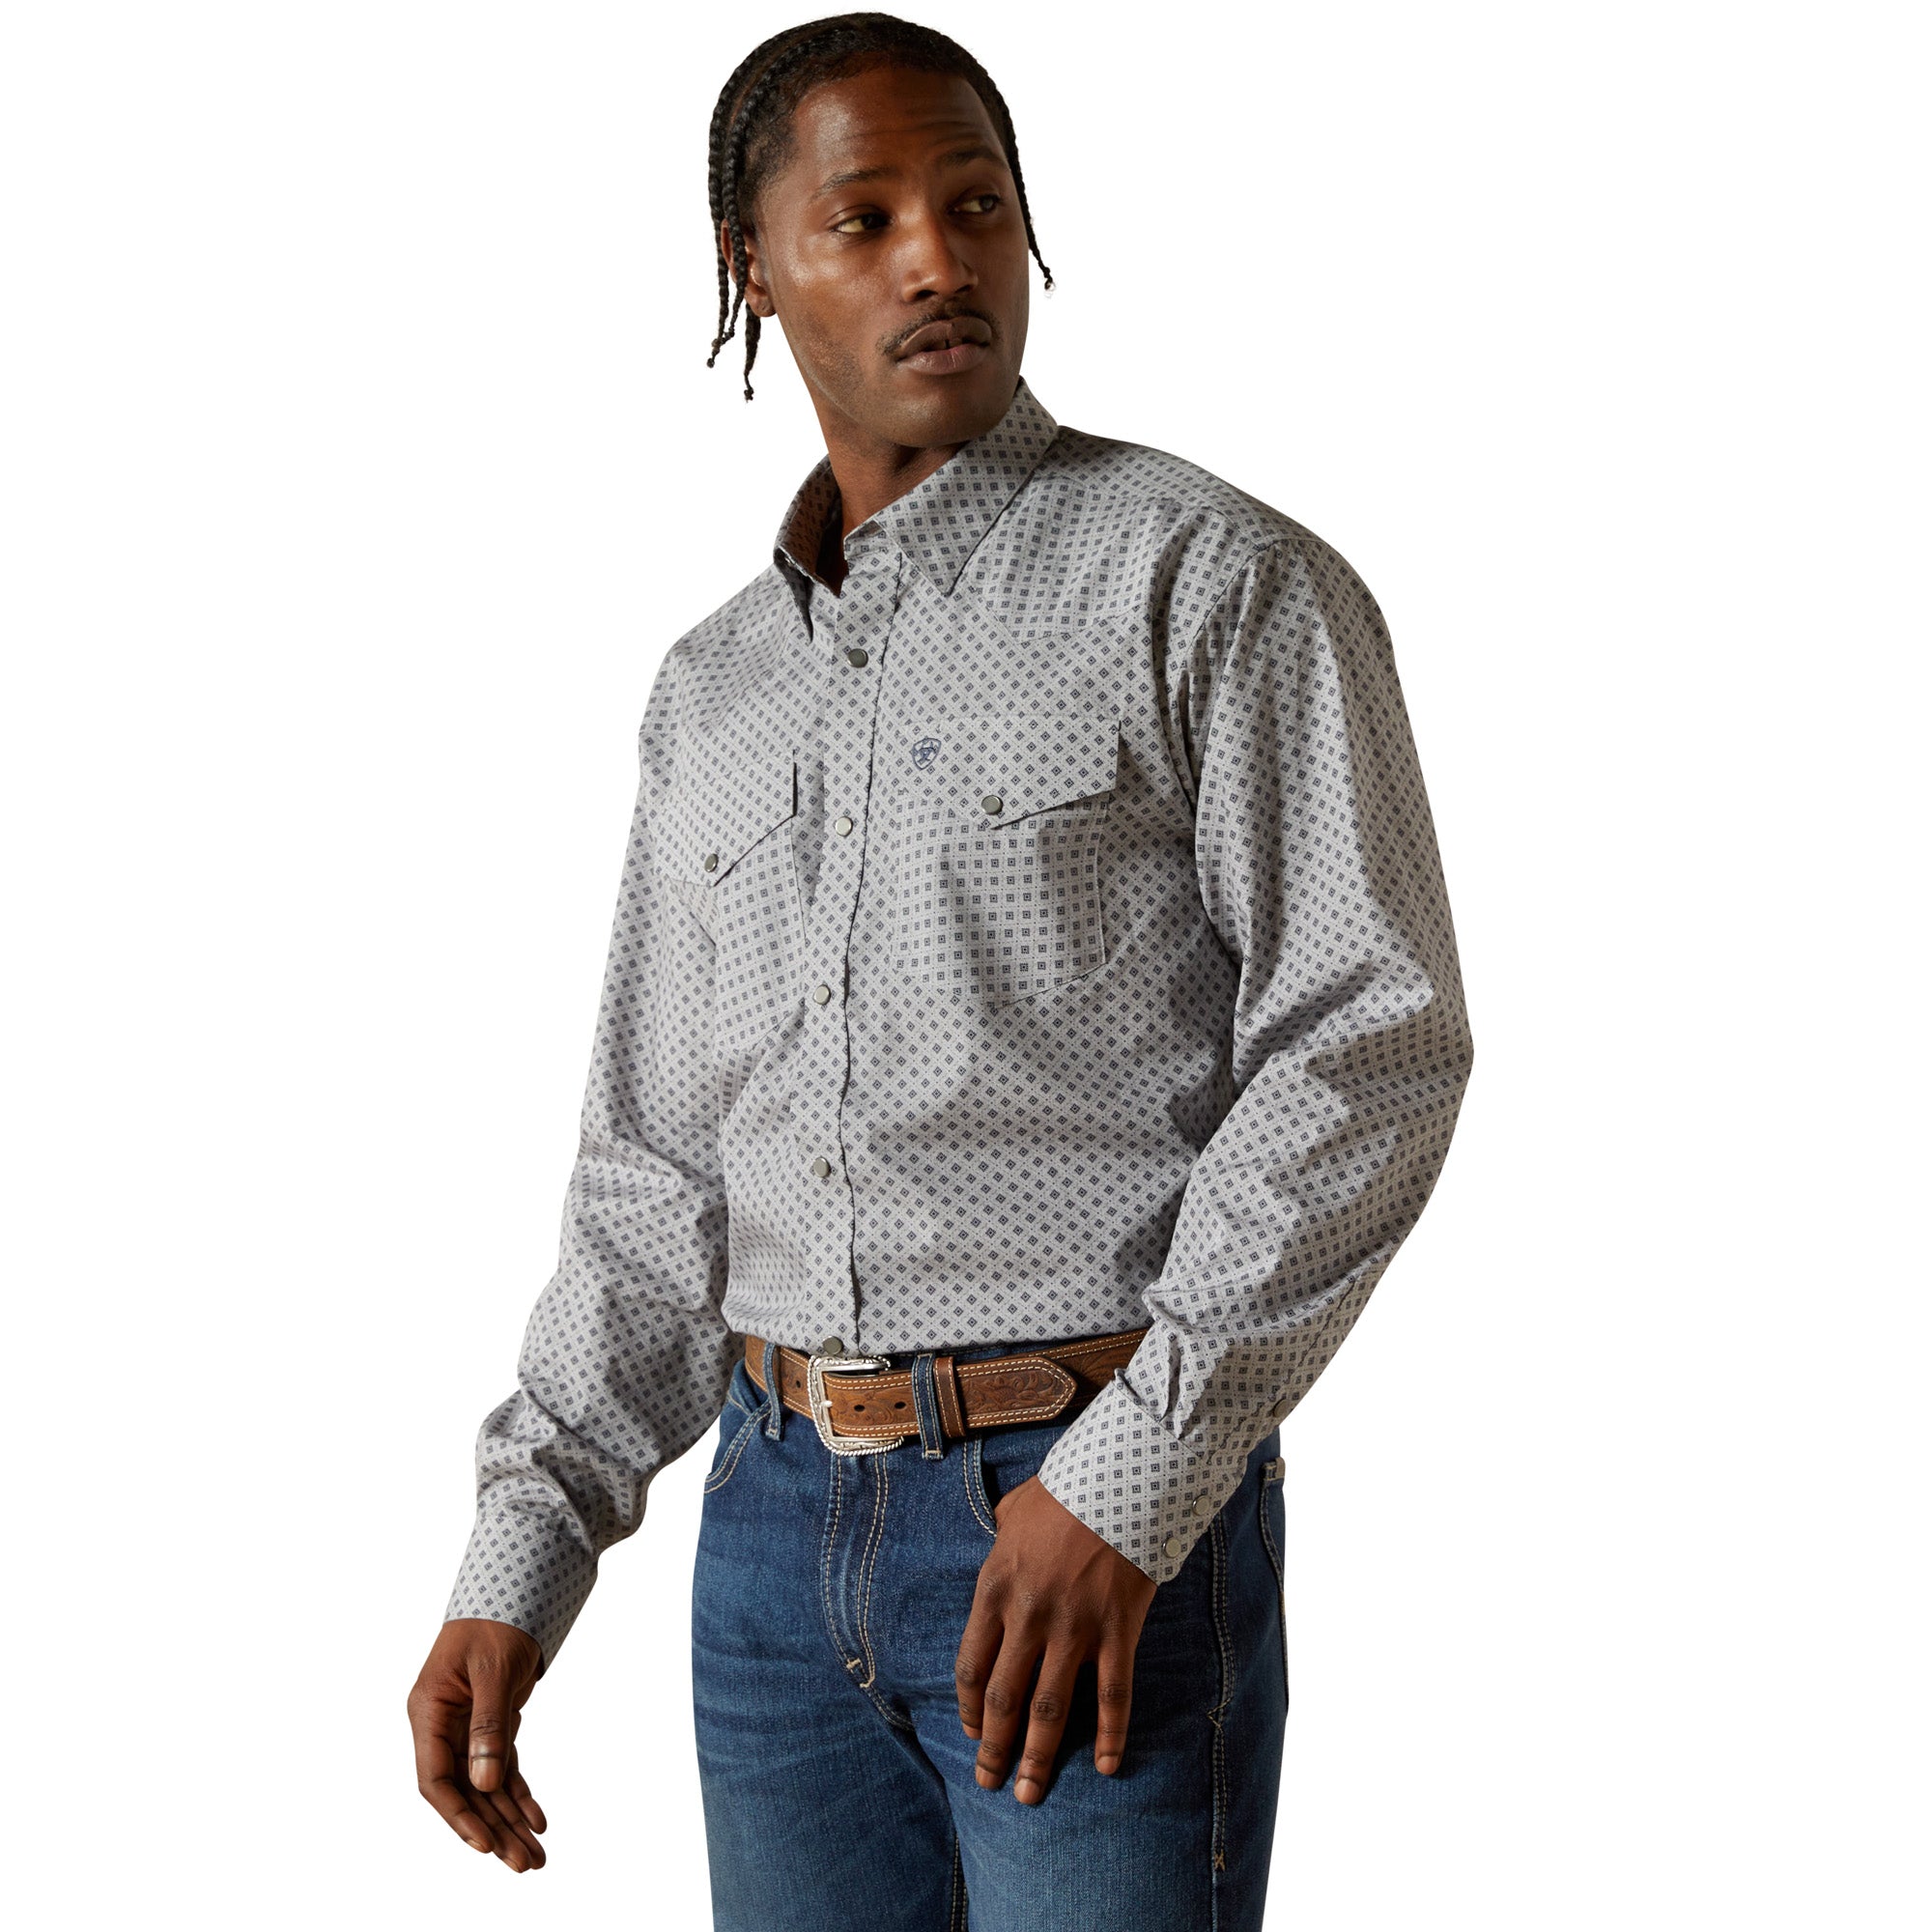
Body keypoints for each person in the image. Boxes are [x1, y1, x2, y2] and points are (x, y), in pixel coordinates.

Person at [407, 14, 1474, 1929]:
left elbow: (1366, 1041)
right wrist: (524, 1545)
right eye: (867, 217)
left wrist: (1129, 1484)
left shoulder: (1210, 580)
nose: (936, 259)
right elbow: (655, 1167)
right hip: (766, 1541)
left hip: (1081, 1518)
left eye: (977, 206)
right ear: (751, 266)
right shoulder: (711, 692)